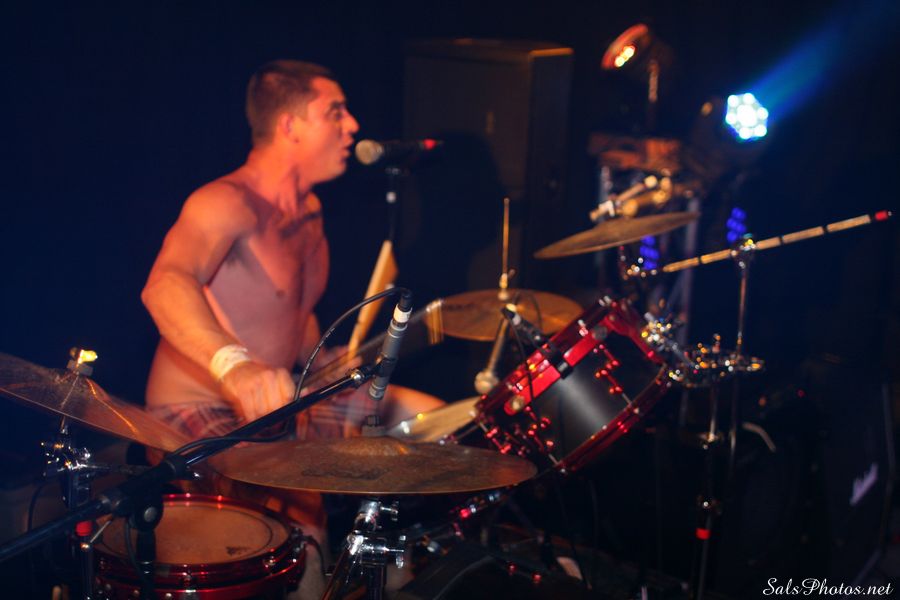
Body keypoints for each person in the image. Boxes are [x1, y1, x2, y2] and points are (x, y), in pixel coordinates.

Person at [141, 59, 441, 595]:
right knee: (304, 513)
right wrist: (235, 367)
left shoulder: (310, 211)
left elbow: (292, 315)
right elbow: (165, 284)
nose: (353, 126)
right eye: (335, 112)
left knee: (437, 425)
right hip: (200, 414)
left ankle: (407, 565)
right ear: (290, 125)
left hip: (283, 402)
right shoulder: (225, 203)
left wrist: (326, 359)